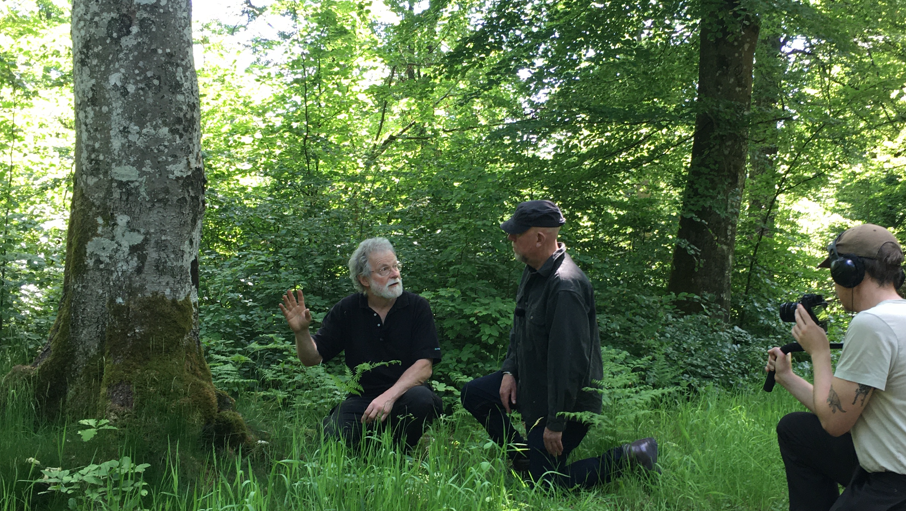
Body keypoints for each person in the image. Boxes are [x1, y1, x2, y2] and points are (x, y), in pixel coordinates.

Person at [461, 199, 659, 488]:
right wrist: (509, 372)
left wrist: (556, 423)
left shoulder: (565, 286)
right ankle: (524, 455)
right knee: (474, 394)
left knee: (544, 485)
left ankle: (629, 456)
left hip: (568, 402)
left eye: (517, 232)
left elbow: (569, 365)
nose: (510, 237)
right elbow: (519, 329)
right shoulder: (533, 271)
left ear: (539, 238)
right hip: (533, 385)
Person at [766, 223, 906, 511]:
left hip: (894, 485)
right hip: (890, 460)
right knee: (796, 430)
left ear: (848, 272)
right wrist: (788, 377)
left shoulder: (873, 324)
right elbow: (840, 407)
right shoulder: (896, 317)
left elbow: (834, 423)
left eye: (834, 273)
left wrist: (819, 351)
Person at [279, 237, 443, 450]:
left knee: (422, 399)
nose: (395, 274)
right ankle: (370, 453)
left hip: (406, 395)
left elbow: (424, 366)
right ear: (364, 279)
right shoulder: (347, 310)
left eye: (395, 266)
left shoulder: (417, 307)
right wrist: (301, 333)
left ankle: (401, 454)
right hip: (361, 399)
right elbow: (312, 358)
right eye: (384, 269)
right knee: (332, 439)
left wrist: (388, 398)